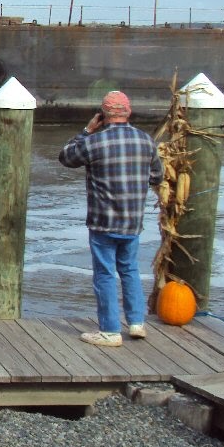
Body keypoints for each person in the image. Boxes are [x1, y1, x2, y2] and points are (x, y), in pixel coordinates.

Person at [58, 90, 163, 346]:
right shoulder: (146, 141)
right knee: (130, 270)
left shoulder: (95, 142)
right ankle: (137, 323)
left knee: (105, 274)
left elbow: (66, 157)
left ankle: (110, 331)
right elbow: (157, 177)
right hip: (132, 222)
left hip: (103, 222)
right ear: (128, 113)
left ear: (102, 116)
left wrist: (86, 130)